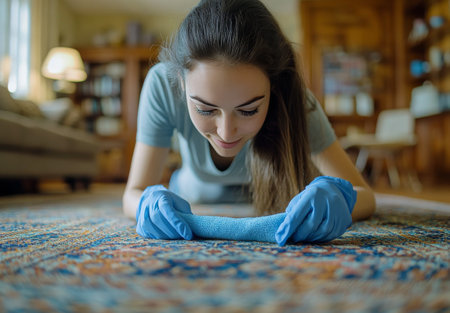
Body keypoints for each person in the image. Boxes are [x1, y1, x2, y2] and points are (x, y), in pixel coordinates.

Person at [122, 0, 375, 245]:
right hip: (193, 188)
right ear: (180, 81)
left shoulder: (293, 98)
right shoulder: (161, 85)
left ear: (273, 87)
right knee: (195, 190)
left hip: (259, 195)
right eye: (205, 109)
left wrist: (340, 198)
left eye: (249, 110)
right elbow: (133, 193)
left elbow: (365, 197)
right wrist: (146, 201)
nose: (226, 132)